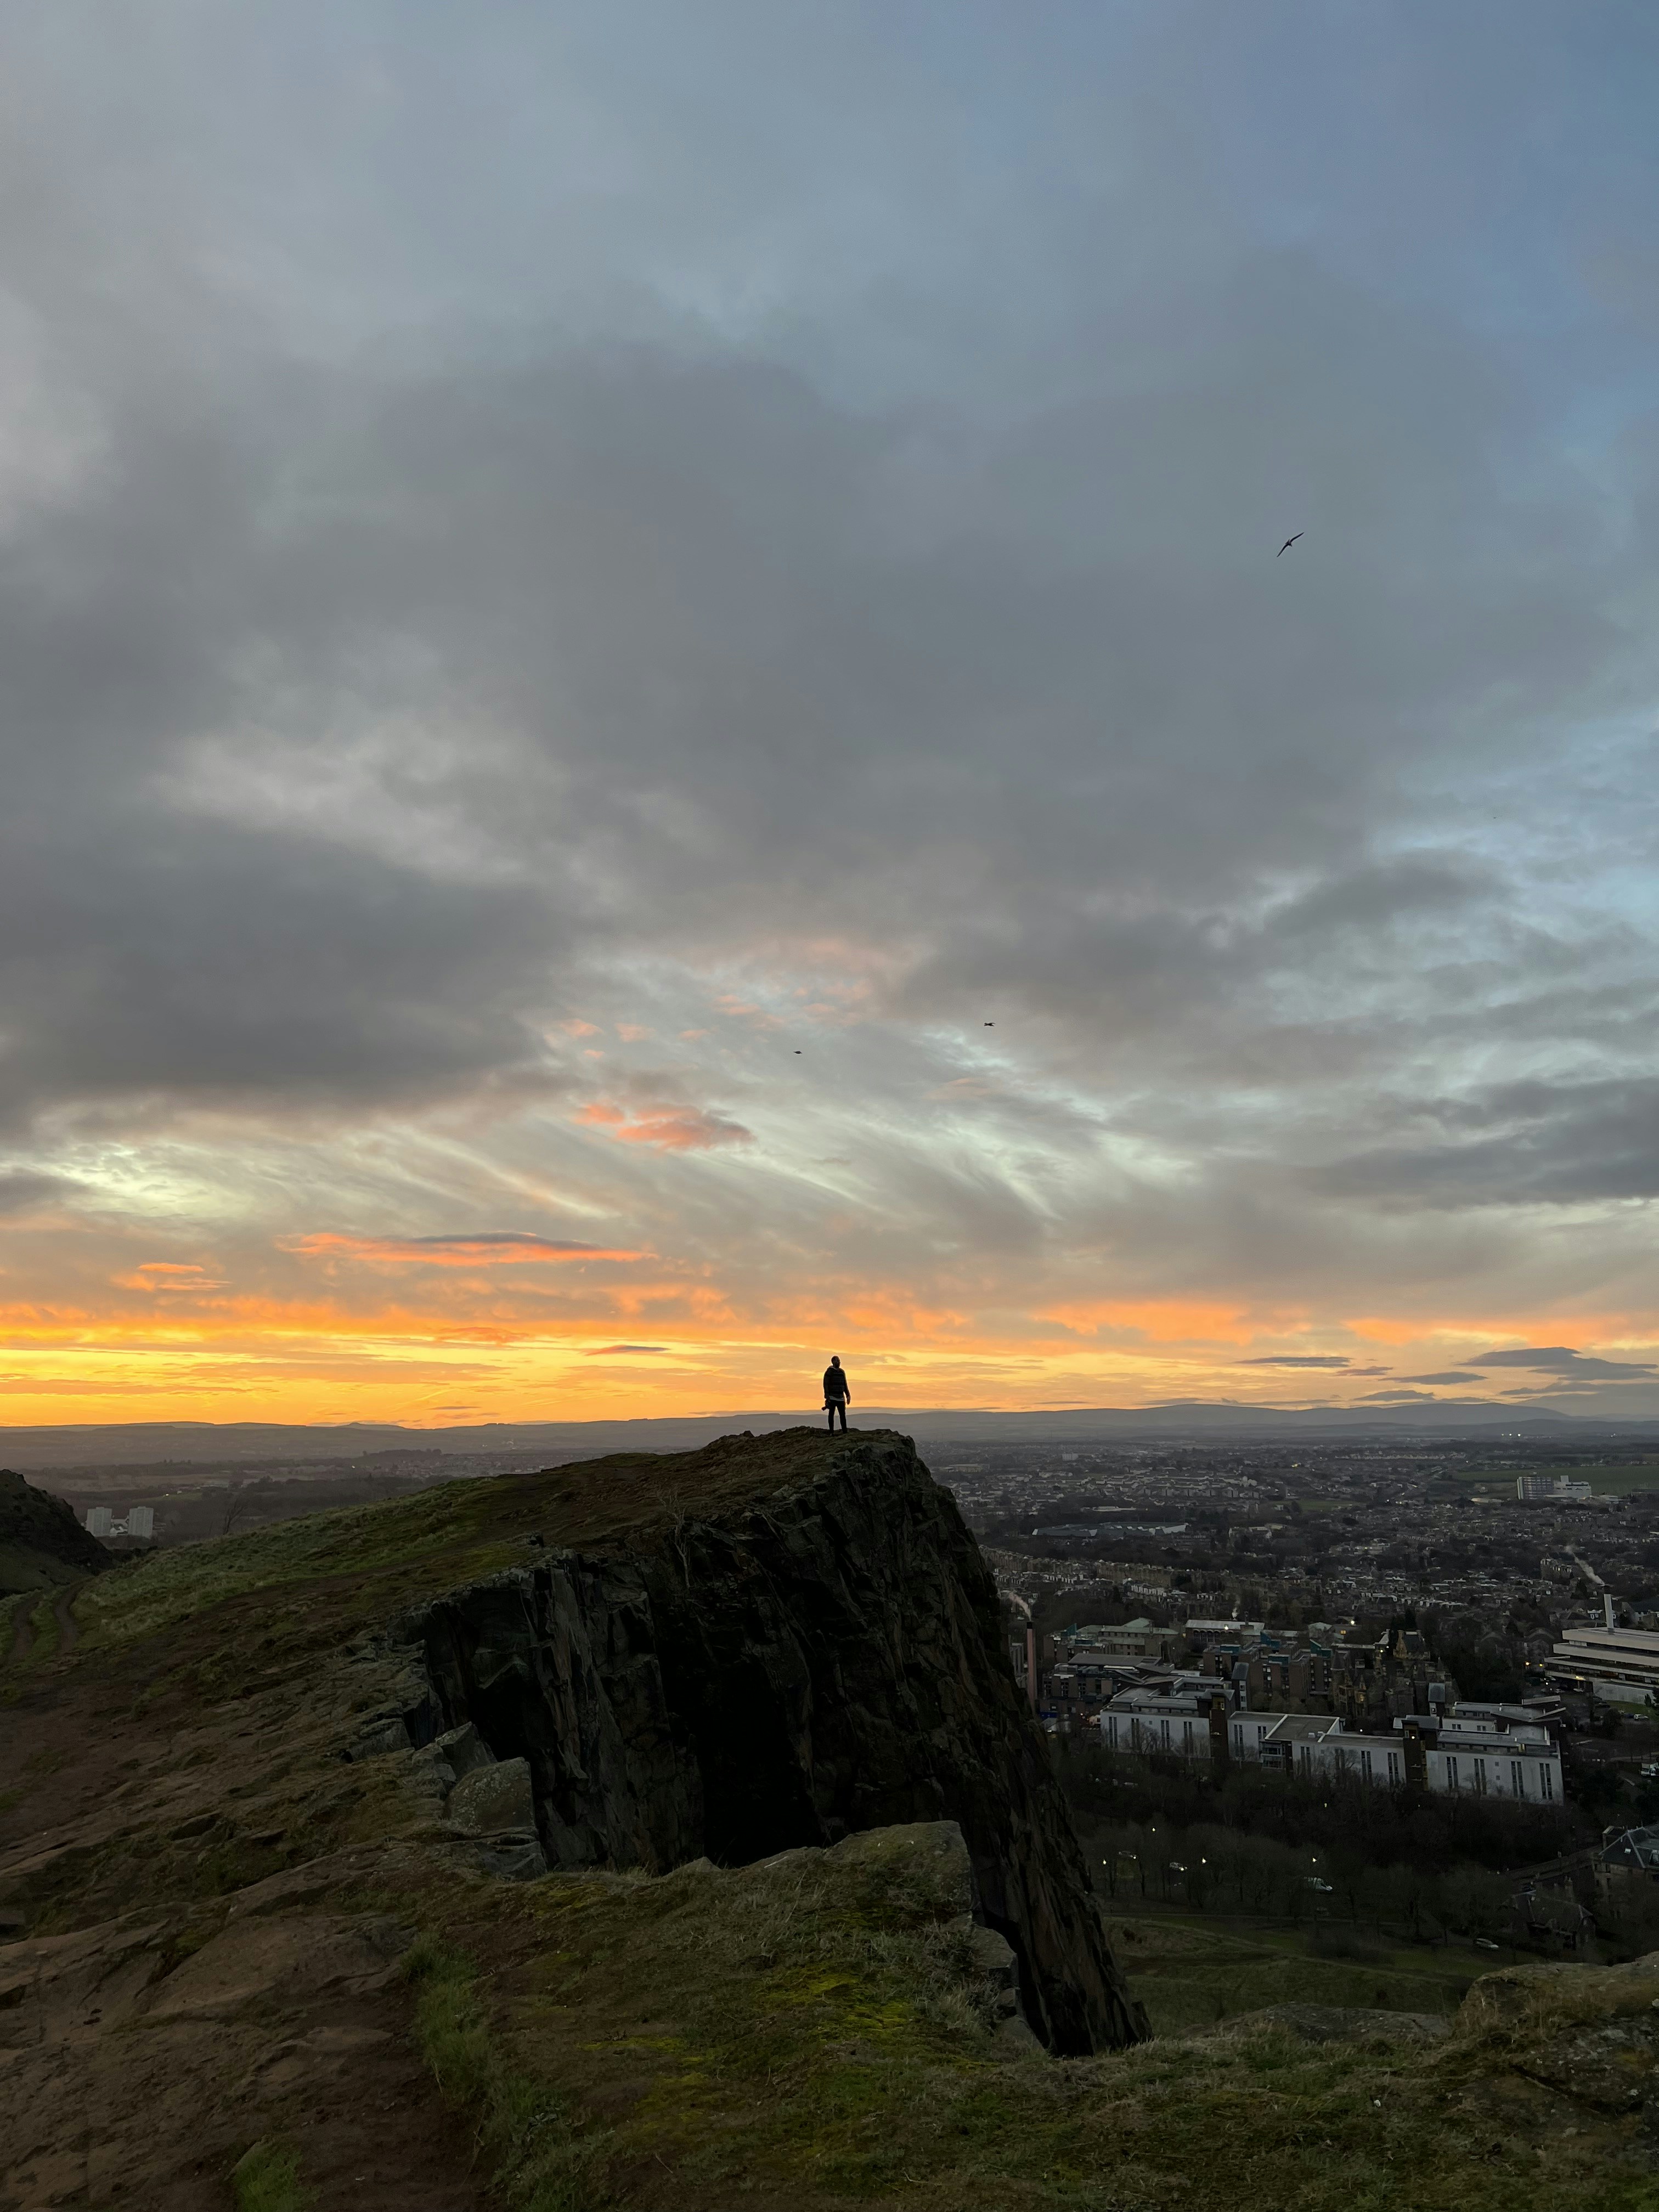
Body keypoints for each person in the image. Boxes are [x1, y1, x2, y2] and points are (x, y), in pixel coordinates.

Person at [822, 1355, 851, 1431]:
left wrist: (848, 1395)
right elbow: (826, 1384)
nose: (839, 1362)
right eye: (837, 1361)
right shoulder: (829, 1372)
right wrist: (827, 1396)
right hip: (832, 1397)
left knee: (843, 1415)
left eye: (839, 1361)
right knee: (831, 1414)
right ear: (833, 1362)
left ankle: (844, 1431)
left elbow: (844, 1384)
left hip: (841, 1398)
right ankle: (831, 1431)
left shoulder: (842, 1372)